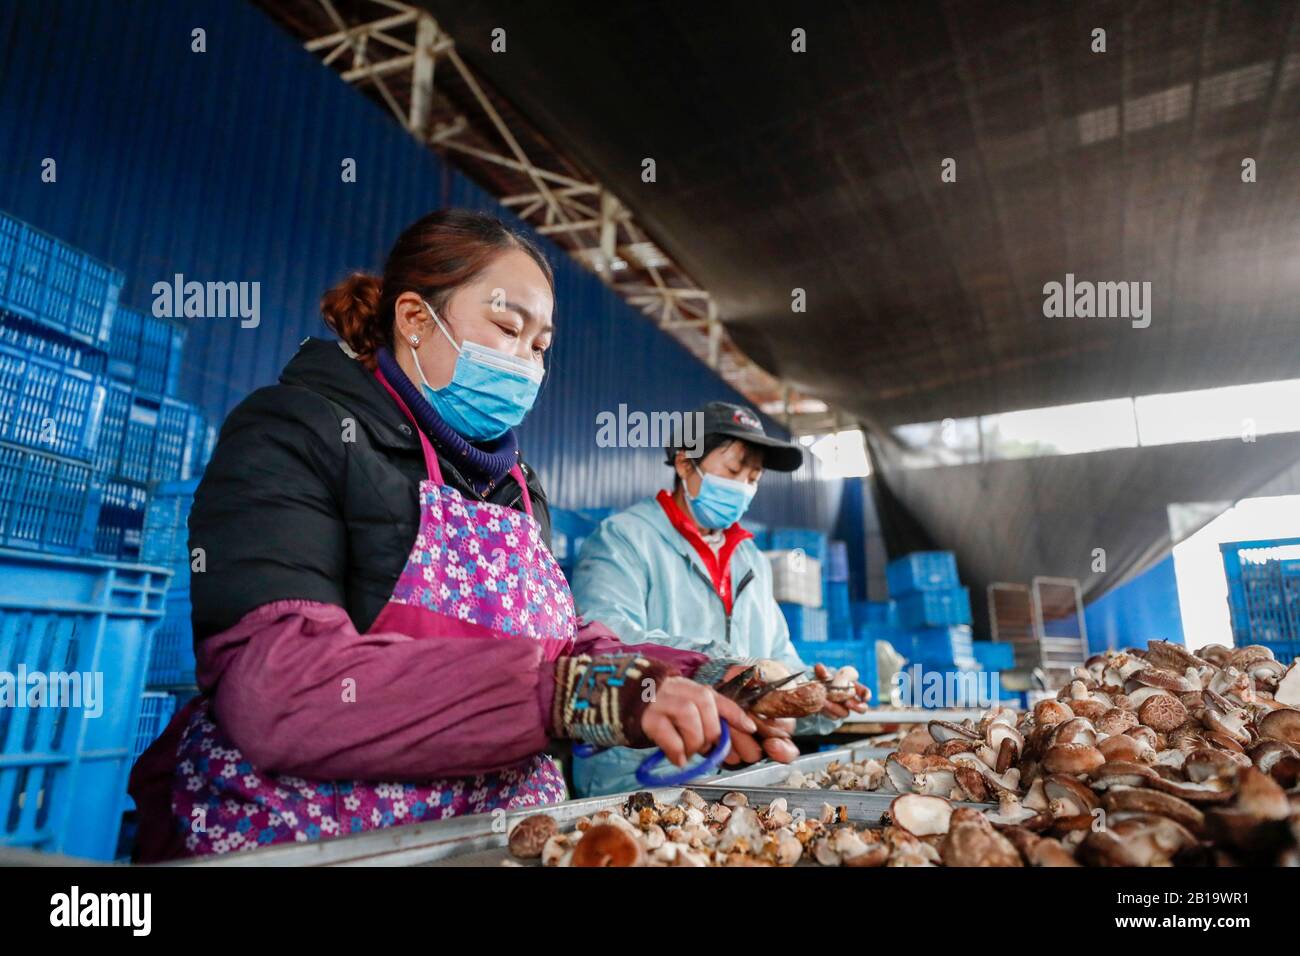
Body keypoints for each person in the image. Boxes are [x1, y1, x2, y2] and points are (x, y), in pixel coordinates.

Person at [127, 211, 790, 860]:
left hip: (500, 841)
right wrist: (569, 695)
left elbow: (566, 644)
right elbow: (283, 691)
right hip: (322, 843)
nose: (528, 362)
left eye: (541, 346)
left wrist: (701, 678)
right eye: (507, 327)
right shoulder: (294, 432)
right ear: (415, 319)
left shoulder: (515, 483)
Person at [569, 401, 870, 796]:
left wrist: (818, 698)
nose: (743, 487)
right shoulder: (623, 540)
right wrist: (722, 668)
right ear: (683, 462)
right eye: (732, 471)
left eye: (753, 477)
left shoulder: (750, 560)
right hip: (637, 774)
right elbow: (606, 647)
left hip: (734, 774)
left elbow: (776, 659)